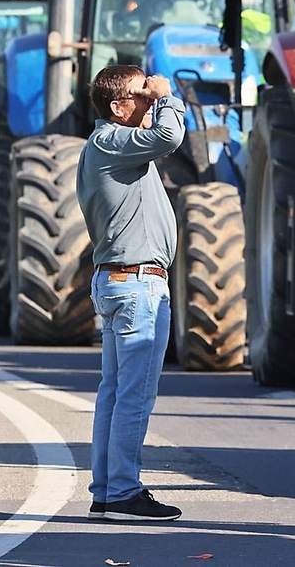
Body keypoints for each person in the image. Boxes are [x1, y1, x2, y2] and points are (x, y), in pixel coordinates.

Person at [78, 64, 186, 523]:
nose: (149, 98)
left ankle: (107, 490)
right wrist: (169, 96)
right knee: (133, 396)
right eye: (141, 94)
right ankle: (122, 490)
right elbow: (170, 138)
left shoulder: (113, 146)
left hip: (124, 282)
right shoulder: (111, 142)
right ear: (120, 107)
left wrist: (154, 98)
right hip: (136, 284)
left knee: (115, 392)